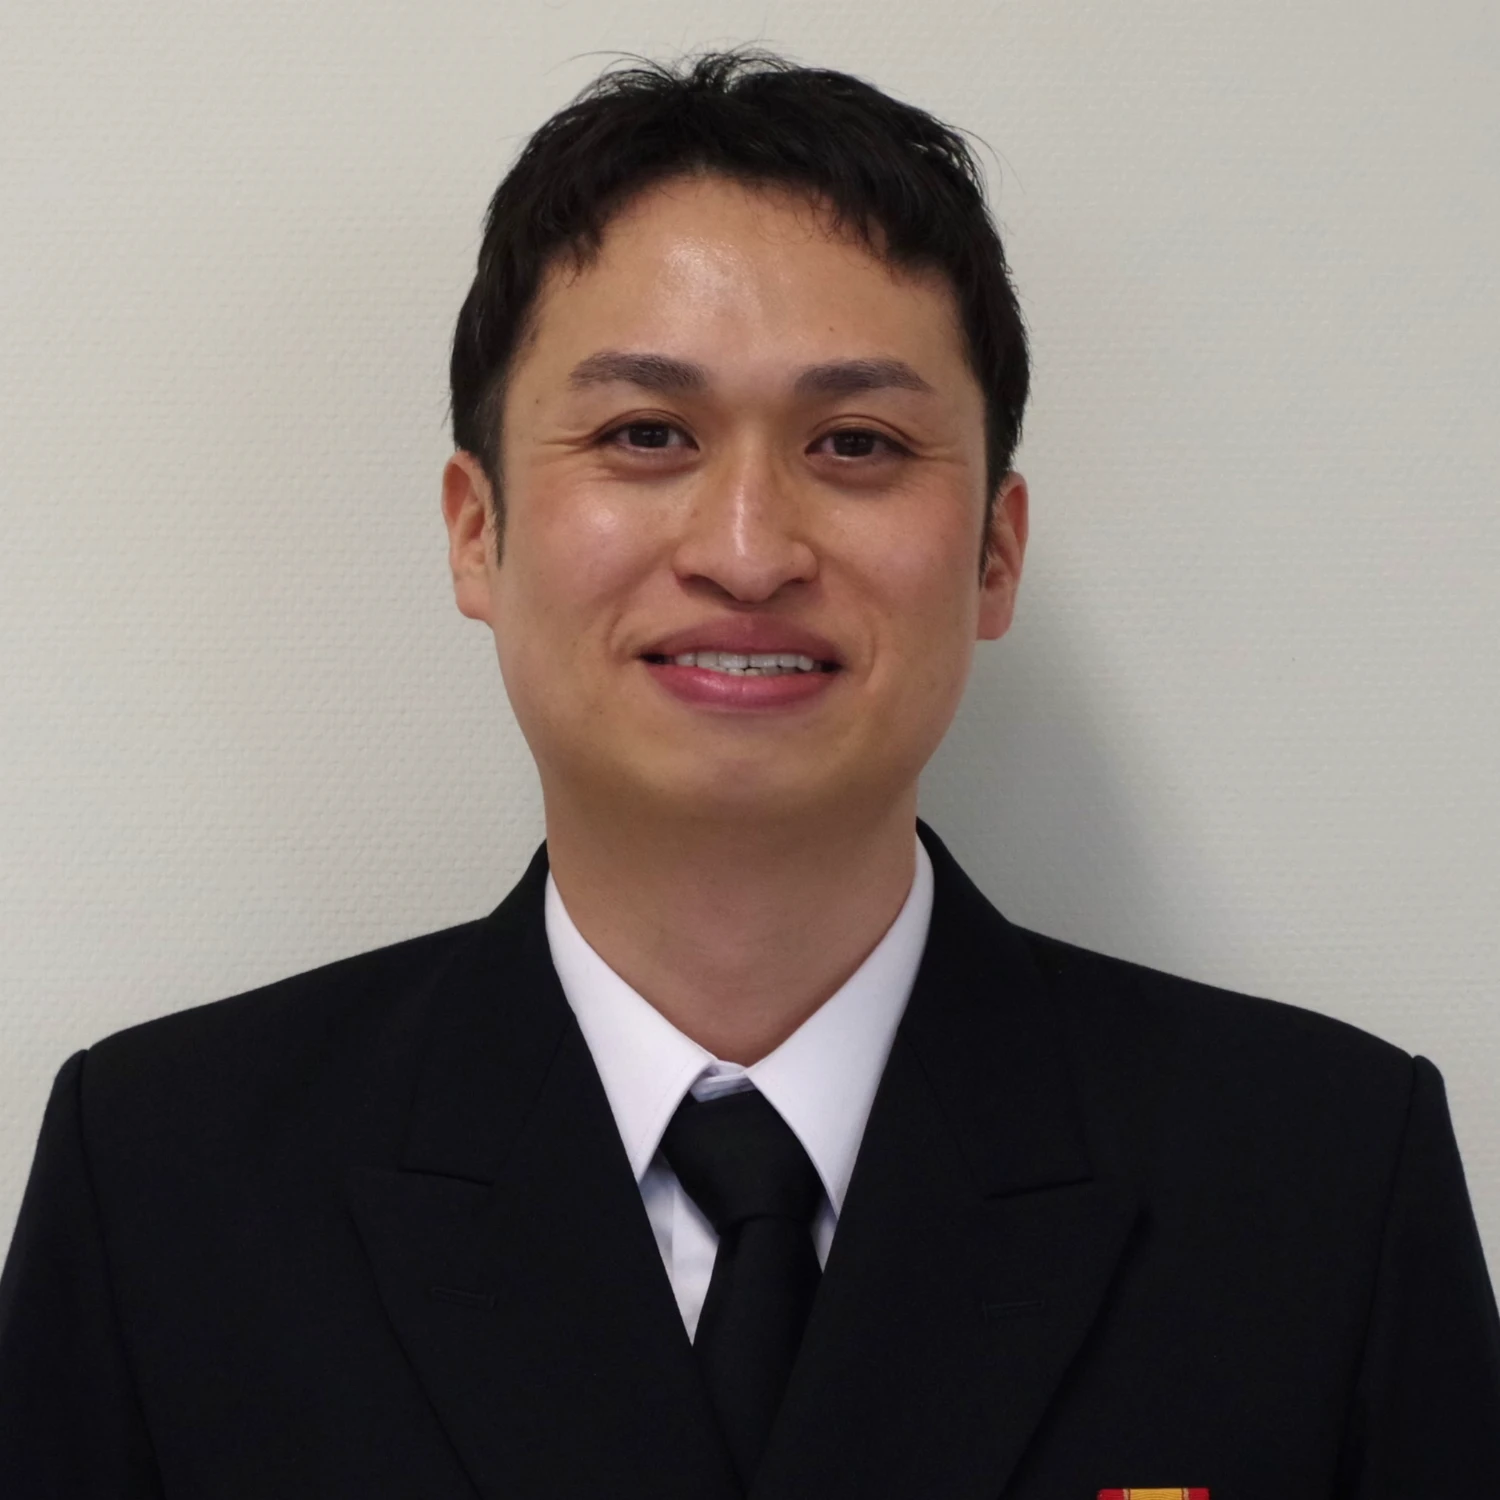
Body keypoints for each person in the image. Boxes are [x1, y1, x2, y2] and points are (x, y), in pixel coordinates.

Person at [1, 48, 1497, 1500]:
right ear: (477, 531)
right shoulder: (163, 1183)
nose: (746, 550)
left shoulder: (1324, 1182)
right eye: (646, 433)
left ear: (994, 552)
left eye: (857, 443)